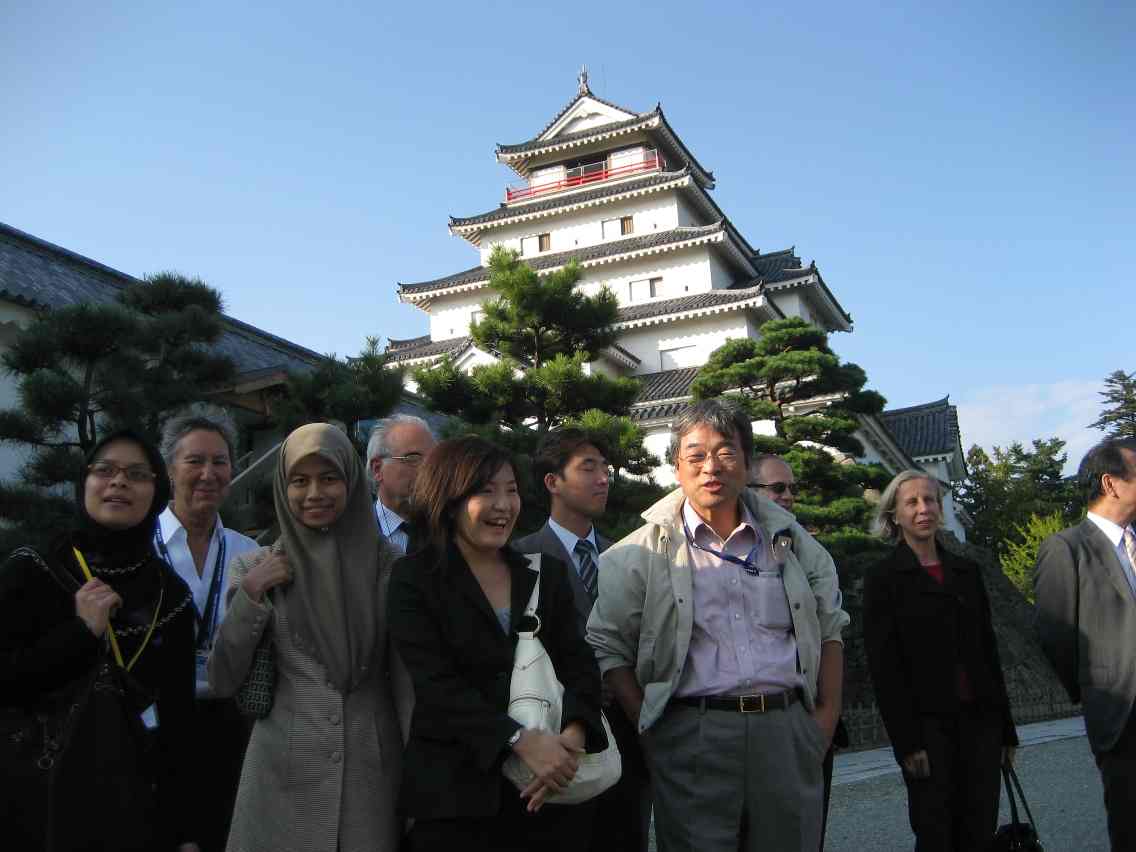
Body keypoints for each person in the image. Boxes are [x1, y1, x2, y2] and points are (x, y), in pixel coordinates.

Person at [587, 399, 848, 852]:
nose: (711, 467)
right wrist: (651, 729)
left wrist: (824, 720)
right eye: (696, 455)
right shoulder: (637, 554)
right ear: (676, 466)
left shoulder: (792, 543)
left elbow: (830, 627)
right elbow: (609, 646)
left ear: (746, 463)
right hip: (692, 732)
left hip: (784, 728)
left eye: (726, 452)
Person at [388, 435, 607, 852]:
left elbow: (580, 665)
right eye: (486, 492)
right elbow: (437, 685)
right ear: (449, 499)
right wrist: (520, 740)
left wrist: (572, 739)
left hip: (549, 794)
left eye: (511, 490)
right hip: (457, 797)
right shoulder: (414, 579)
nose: (504, 505)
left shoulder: (545, 573)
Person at [208, 423, 410, 852]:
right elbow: (223, 677)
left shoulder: (390, 568)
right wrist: (251, 596)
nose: (314, 493)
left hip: (370, 780)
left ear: (351, 481)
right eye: (299, 481)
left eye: (329, 478)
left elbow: (406, 687)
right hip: (281, 777)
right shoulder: (254, 568)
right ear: (283, 488)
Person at [0, 428, 199, 851]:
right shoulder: (33, 571)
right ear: (84, 483)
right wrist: (80, 633)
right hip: (35, 802)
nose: (119, 482)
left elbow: (179, 724)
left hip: (132, 806)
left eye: (137, 474)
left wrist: (183, 832)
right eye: (104, 470)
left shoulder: (171, 595)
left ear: (157, 492)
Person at [864, 470, 1018, 852]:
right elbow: (885, 668)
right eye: (912, 502)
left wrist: (1006, 730)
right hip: (927, 727)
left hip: (981, 721)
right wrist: (906, 742)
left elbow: (988, 651)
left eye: (930, 500)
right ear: (894, 514)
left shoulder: (967, 572)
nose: (923, 509)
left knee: (980, 828)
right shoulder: (883, 579)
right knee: (935, 831)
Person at [514, 428, 651, 852]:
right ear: (552, 482)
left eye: (606, 468)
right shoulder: (522, 558)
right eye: (588, 468)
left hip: (628, 732)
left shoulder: (628, 556)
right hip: (557, 737)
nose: (603, 478)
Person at [156, 404, 260, 851]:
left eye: (220, 461)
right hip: (153, 722)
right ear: (168, 469)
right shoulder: (142, 547)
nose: (208, 473)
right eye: (194, 461)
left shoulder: (248, 552)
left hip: (227, 724)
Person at [1035, 437, 1136, 850]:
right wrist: (1095, 688)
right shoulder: (1066, 548)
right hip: (1121, 714)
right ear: (1111, 484)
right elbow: (1055, 634)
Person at [748, 451, 849, 848]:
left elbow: (831, 631)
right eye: (777, 488)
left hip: (802, 717)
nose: (788, 496)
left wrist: (826, 718)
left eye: (792, 488)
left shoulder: (808, 551)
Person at [366, 414, 437, 554]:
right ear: (377, 469)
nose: (427, 469)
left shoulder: (447, 533)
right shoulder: (354, 531)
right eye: (414, 458)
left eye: (432, 461)